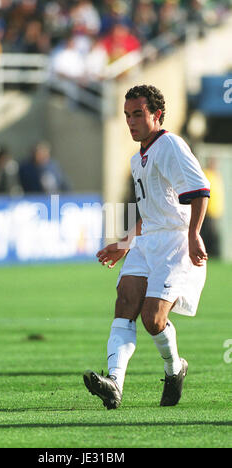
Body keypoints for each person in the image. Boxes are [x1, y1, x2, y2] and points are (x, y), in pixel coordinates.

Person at [83, 84, 210, 409]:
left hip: (175, 242)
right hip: (147, 241)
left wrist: (194, 234)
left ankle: (174, 369)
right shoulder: (137, 158)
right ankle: (114, 383)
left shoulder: (170, 145)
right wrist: (125, 244)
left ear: (157, 114)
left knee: (153, 319)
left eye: (138, 114)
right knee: (125, 300)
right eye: (127, 115)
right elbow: (150, 210)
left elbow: (200, 189)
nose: (131, 121)